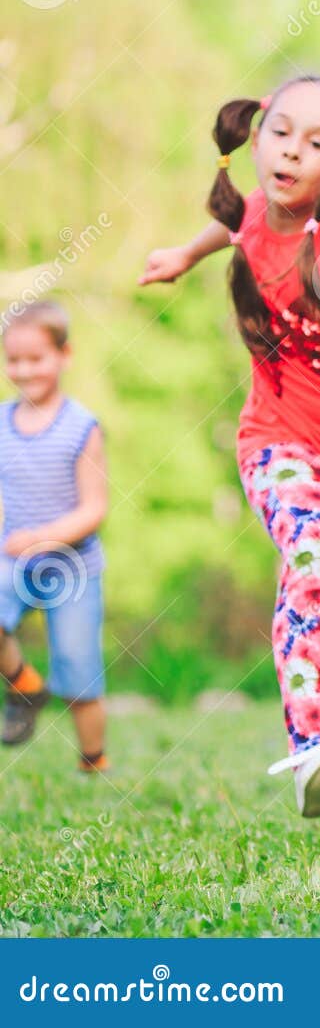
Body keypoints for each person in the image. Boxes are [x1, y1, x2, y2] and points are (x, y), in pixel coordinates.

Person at [139, 76, 320, 818]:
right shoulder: (255, 206)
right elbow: (236, 224)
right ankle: (314, 742)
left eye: (316, 142)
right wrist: (183, 252)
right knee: (309, 556)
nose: (292, 151)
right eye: (282, 132)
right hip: (280, 436)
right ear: (259, 132)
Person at [0, 301, 110, 774]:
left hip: (72, 567)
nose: (24, 370)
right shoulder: (2, 423)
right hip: (14, 559)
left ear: (65, 355)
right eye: (13, 360)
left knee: (79, 673)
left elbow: (94, 508)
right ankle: (24, 684)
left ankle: (94, 760)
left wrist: (42, 537)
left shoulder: (80, 427)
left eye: (36, 358)